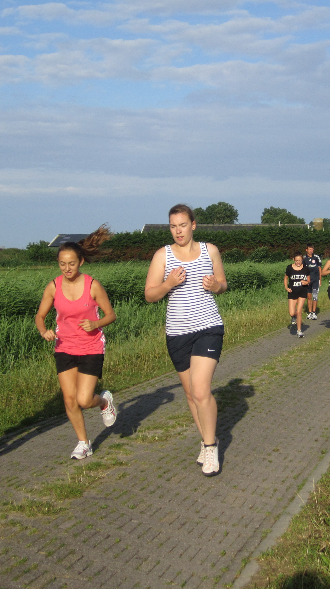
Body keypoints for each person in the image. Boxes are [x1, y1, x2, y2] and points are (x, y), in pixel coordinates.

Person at [145, 204, 227, 476]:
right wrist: (168, 284)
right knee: (191, 394)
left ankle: (211, 447)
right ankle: (205, 440)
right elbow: (150, 295)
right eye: (173, 226)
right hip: (178, 332)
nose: (178, 231)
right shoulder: (163, 256)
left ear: (193, 224)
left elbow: (223, 284)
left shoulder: (209, 250)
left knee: (202, 390)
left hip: (208, 327)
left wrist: (216, 286)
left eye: (182, 225)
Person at [35, 226, 118, 460]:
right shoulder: (53, 286)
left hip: (91, 347)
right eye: (62, 264)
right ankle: (83, 443)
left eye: (71, 263)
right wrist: (44, 331)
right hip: (64, 347)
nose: (67, 268)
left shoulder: (93, 285)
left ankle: (103, 401)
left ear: (81, 261)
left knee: (84, 399)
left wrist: (96, 324)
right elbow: (40, 316)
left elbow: (111, 315)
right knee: (69, 399)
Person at [285, 252, 310, 337]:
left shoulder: (306, 268)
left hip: (302, 292)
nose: (298, 262)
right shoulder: (289, 268)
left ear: (302, 260)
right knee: (292, 313)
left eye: (299, 260)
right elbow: (285, 278)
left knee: (299, 311)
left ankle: (299, 331)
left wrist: (306, 282)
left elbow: (309, 281)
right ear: (293, 260)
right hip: (292, 292)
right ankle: (294, 317)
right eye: (296, 260)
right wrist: (286, 287)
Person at [302, 244, 322, 320]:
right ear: (306, 250)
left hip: (316, 280)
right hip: (308, 280)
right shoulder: (304, 259)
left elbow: (320, 269)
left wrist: (320, 280)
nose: (311, 251)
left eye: (312, 249)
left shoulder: (316, 257)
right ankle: (310, 312)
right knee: (309, 296)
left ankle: (314, 312)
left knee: (315, 296)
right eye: (309, 249)